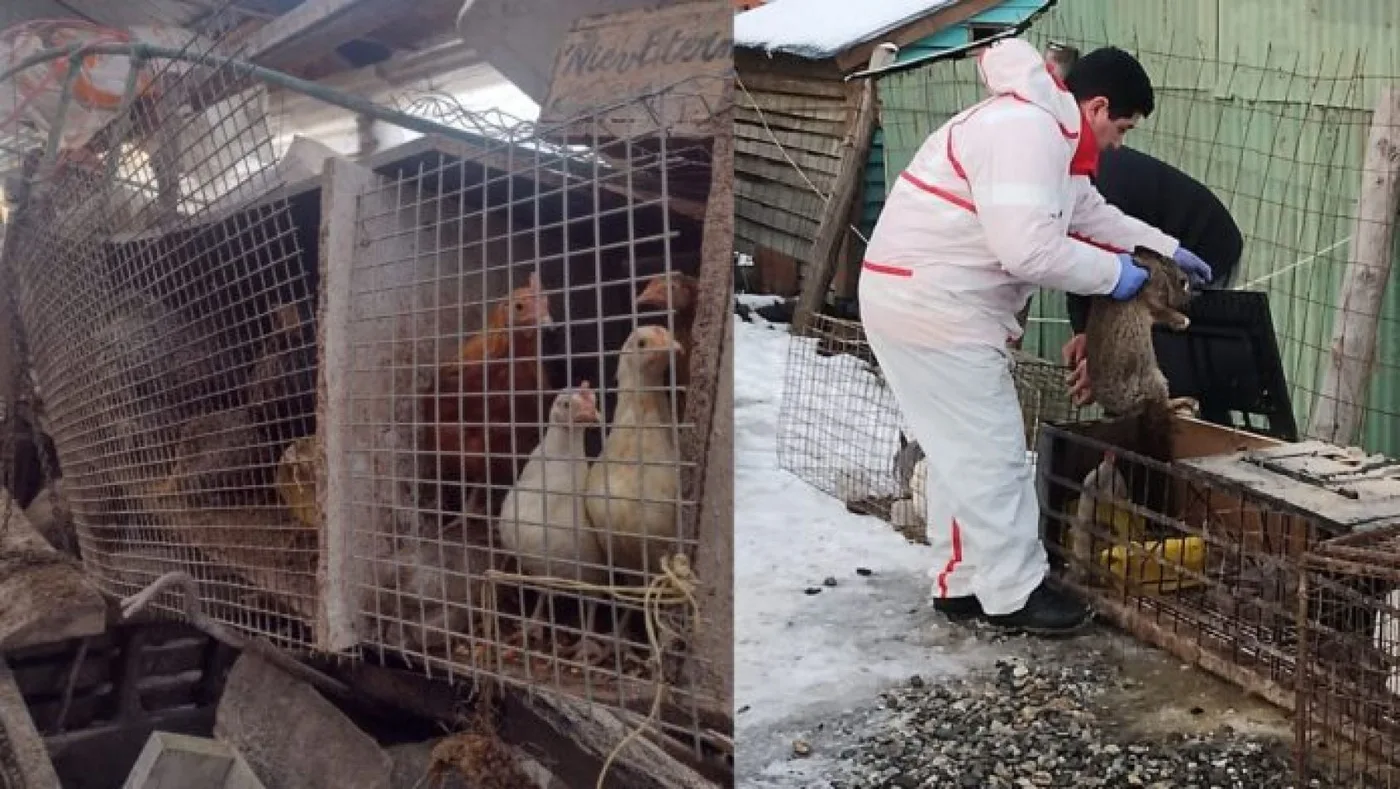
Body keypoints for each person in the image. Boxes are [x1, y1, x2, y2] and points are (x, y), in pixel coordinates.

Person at [856, 39, 1213, 635]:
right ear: (1096, 108)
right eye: (1121, 128)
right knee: (994, 455)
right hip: (934, 306)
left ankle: (963, 582)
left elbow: (1091, 215)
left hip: (920, 297)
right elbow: (1027, 249)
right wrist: (1116, 275)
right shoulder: (1028, 133)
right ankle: (1015, 594)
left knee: (958, 455)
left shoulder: (1047, 136)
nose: (1120, 143)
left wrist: (1164, 247)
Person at [1061, 141, 1245, 405]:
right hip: (1148, 258)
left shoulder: (1095, 185)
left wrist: (1103, 357)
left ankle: (1190, 424)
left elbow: (1113, 283)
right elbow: (1082, 266)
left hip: (1200, 245)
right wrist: (1084, 332)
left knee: (1172, 363)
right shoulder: (1062, 179)